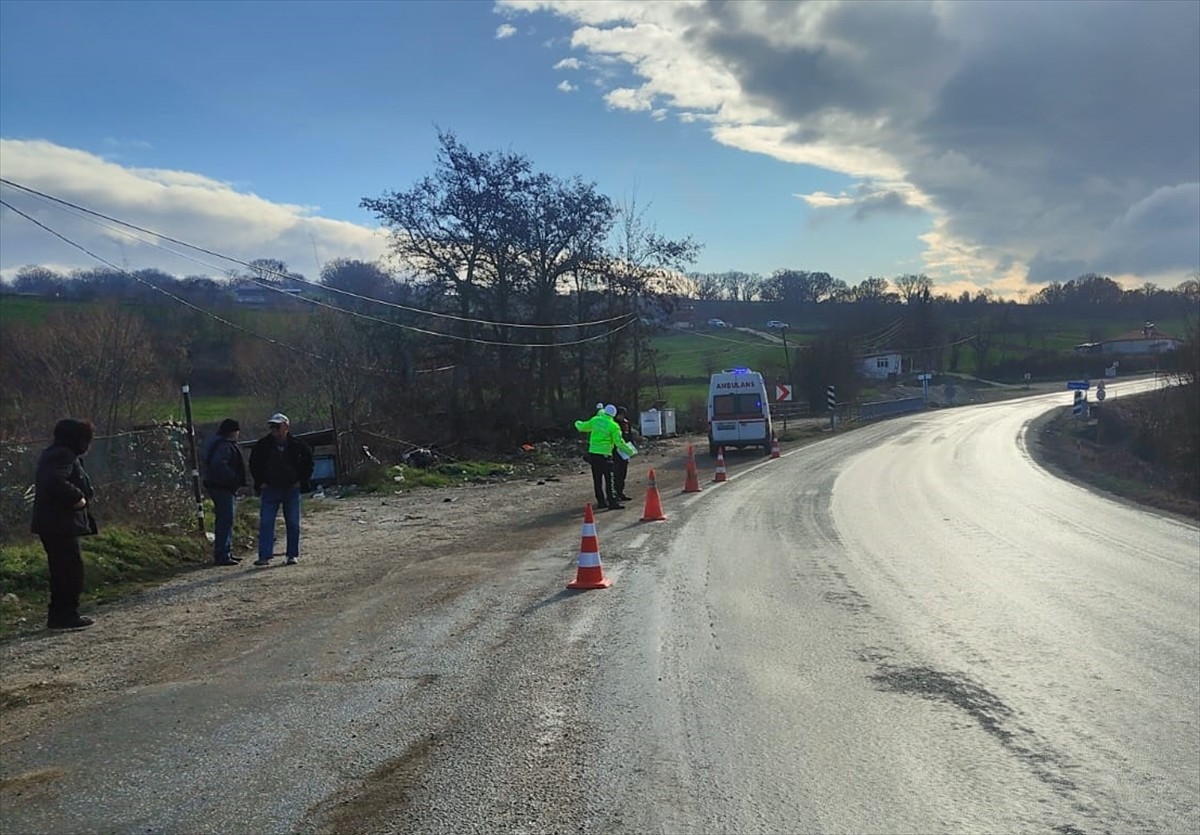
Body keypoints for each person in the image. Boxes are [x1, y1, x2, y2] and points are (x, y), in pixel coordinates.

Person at [31, 418, 99, 630]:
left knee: (63, 570)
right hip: (59, 523)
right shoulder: (62, 455)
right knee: (69, 571)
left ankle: (61, 614)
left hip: (55, 523)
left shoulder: (56, 453)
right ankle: (65, 615)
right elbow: (53, 481)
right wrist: (77, 498)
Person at [248, 413, 313, 567]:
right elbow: (254, 464)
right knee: (266, 523)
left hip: (291, 489)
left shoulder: (298, 445)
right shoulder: (262, 445)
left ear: (286, 427)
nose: (274, 430)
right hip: (270, 489)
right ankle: (264, 555)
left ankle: (292, 554)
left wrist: (301, 482)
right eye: (272, 427)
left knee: (293, 523)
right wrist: (260, 482)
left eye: (277, 426)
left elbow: (308, 464)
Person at [200, 418, 246, 566]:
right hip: (222, 487)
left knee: (225, 519)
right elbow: (219, 464)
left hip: (215, 485)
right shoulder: (225, 446)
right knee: (226, 519)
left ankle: (226, 551)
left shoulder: (214, 442)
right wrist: (233, 478)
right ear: (233, 431)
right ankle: (223, 554)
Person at [574, 404, 637, 510]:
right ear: (613, 414)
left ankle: (601, 502)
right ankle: (612, 502)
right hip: (605, 455)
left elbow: (582, 427)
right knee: (609, 479)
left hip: (593, 454)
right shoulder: (613, 426)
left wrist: (577, 422)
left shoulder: (595, 420)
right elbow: (619, 443)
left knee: (597, 479)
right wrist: (630, 451)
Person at [611, 406, 636, 502]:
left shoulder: (626, 423)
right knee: (616, 475)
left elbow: (629, 436)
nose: (622, 416)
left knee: (623, 474)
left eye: (623, 415)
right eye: (620, 414)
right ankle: (615, 494)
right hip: (615, 452)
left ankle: (621, 492)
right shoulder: (613, 424)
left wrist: (632, 448)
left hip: (624, 452)